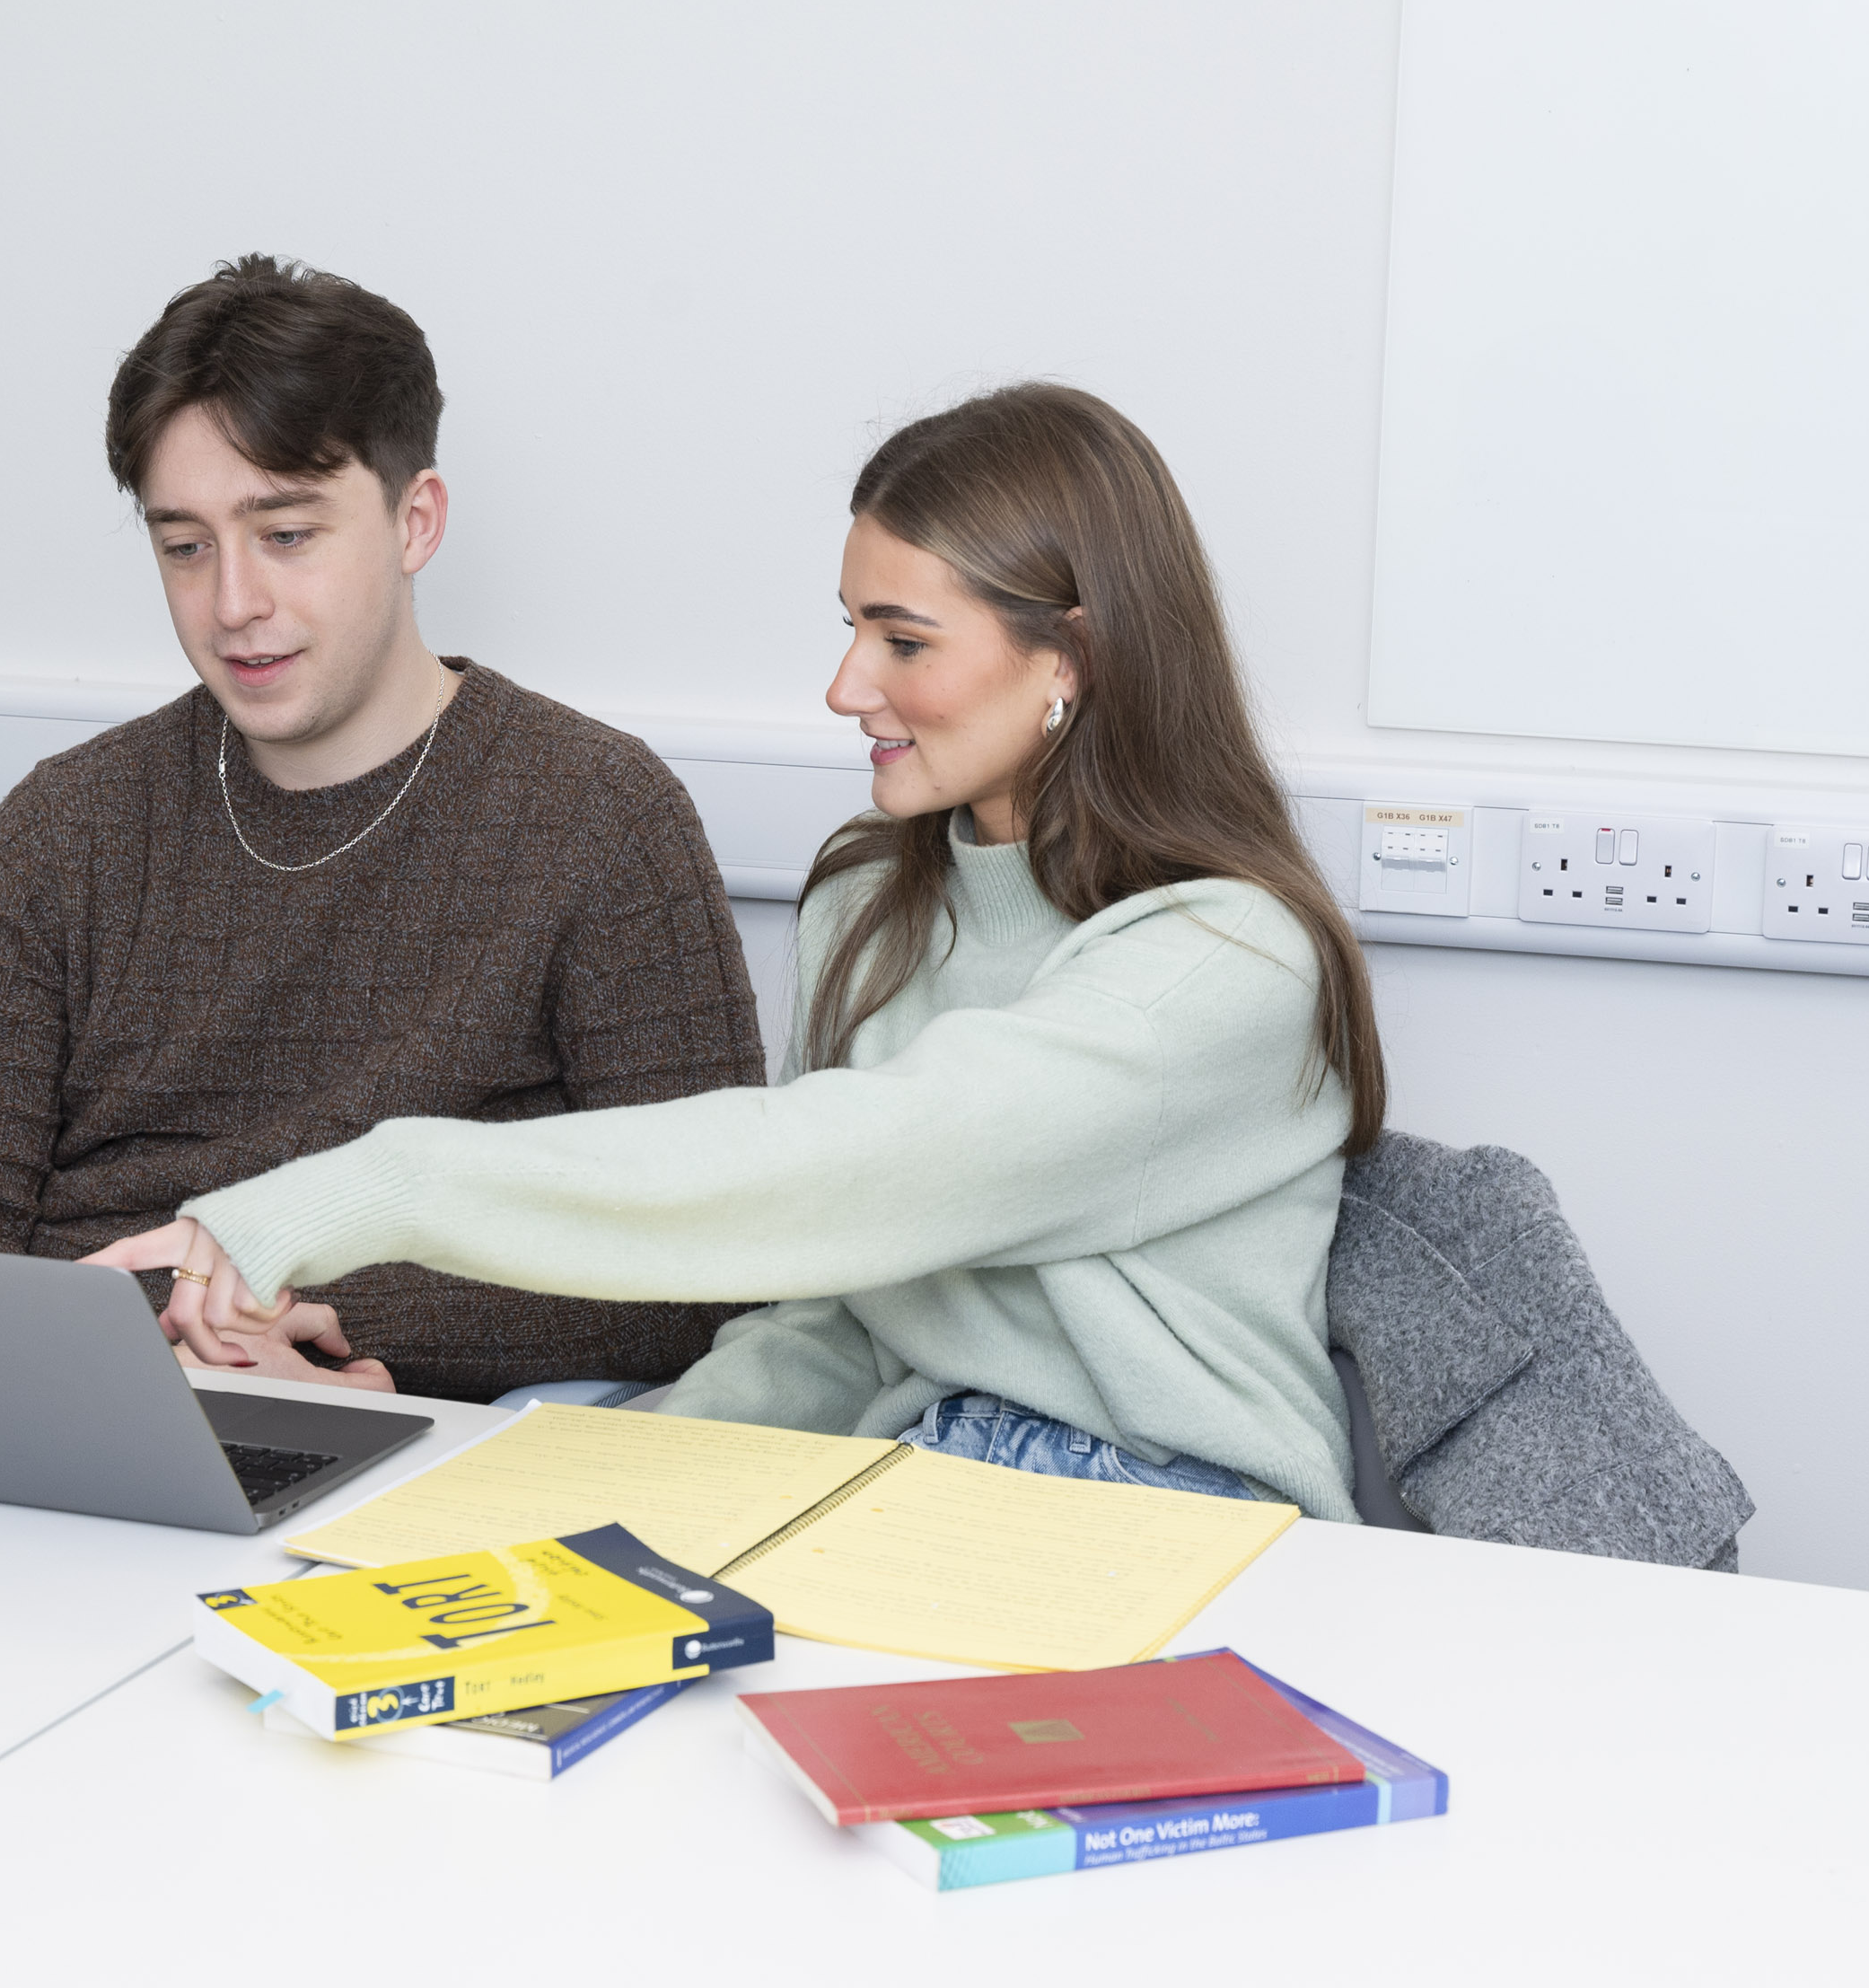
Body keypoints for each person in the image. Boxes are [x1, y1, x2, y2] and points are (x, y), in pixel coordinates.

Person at [87, 383, 1387, 1520]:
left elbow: (848, 1170)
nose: (847, 687)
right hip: (914, 1469)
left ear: (1072, 657)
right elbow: (832, 1321)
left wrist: (363, 1191)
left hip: (1162, 1506)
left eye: (903, 640)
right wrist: (545, 1476)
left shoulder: (1227, 964)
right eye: (850, 627)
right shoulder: (875, 908)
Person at [0, 255, 767, 1403]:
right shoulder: (63, 828)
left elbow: (704, 1262)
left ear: (414, 522)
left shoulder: (599, 815)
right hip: (81, 1393)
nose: (233, 603)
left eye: (285, 534)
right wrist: (182, 1342)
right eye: (185, 546)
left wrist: (317, 1323)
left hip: (417, 1423)